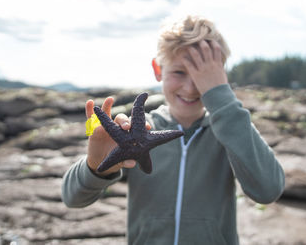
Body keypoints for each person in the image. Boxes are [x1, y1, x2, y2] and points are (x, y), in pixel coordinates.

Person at [62, 15, 285, 245]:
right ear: (158, 70)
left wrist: (221, 98)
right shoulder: (137, 131)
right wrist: (95, 166)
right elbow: (72, 198)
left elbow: (268, 190)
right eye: (179, 72)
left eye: (203, 76)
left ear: (220, 76)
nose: (190, 88)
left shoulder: (233, 131)